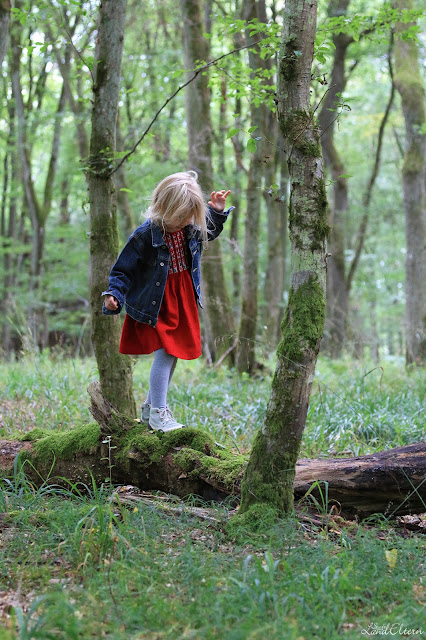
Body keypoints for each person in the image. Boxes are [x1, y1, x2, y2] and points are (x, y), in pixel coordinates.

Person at [102, 171, 232, 432]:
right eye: (180, 216)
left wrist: (216, 213)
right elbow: (121, 271)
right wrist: (113, 294)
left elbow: (209, 232)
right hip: (158, 301)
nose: (185, 222)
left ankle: (151, 409)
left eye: (189, 217)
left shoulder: (188, 229)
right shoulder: (144, 235)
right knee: (167, 353)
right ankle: (159, 413)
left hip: (182, 298)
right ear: (162, 207)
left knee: (173, 355)